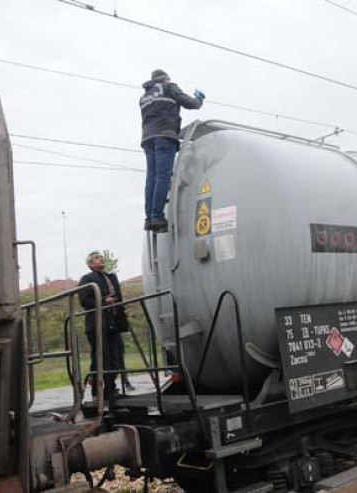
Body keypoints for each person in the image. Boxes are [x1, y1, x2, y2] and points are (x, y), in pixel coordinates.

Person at [140, 69, 205, 233]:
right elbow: (191, 104)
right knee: (163, 176)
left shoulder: (144, 97)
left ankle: (149, 218)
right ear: (165, 79)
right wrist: (199, 99)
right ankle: (157, 217)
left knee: (151, 178)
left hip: (148, 139)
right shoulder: (169, 87)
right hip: (164, 136)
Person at [77, 251, 128, 399]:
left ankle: (110, 388)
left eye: (101, 257)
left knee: (116, 356)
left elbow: (119, 298)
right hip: (97, 324)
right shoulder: (87, 279)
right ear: (91, 264)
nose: (101, 259)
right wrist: (103, 302)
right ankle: (97, 391)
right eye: (97, 258)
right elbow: (84, 300)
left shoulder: (111, 277)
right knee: (100, 357)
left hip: (113, 323)